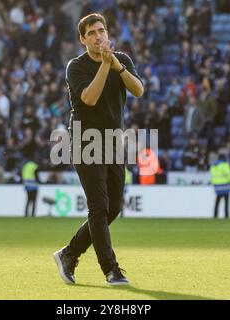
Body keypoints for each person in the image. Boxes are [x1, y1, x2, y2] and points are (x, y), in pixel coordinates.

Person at [53, 13, 144, 286]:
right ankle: (111, 270)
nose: (98, 36)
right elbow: (89, 99)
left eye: (101, 30)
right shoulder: (76, 67)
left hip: (114, 141)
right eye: (91, 33)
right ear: (82, 39)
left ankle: (69, 253)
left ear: (107, 33)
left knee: (113, 207)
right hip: (85, 140)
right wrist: (105, 66)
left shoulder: (122, 60)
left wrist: (116, 65)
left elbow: (138, 90)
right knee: (99, 206)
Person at [210, 153, 230, 219]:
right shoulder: (224, 165)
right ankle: (226, 215)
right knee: (226, 201)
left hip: (217, 185)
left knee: (217, 201)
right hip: (225, 184)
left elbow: (212, 174)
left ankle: (215, 215)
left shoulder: (214, 165)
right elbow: (229, 174)